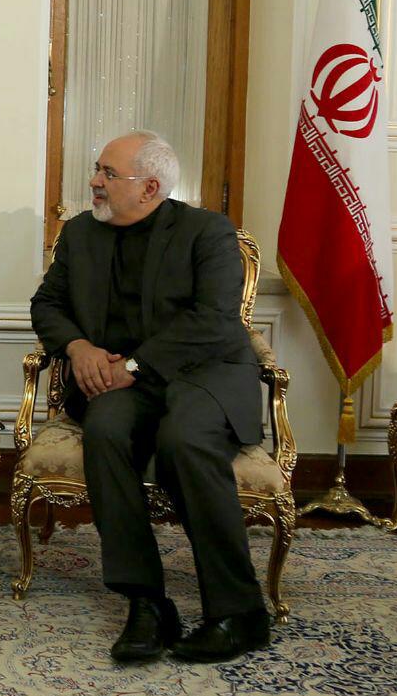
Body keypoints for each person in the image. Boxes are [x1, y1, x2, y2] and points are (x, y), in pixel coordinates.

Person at [30, 130, 270, 664]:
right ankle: (147, 602)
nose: (94, 181)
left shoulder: (207, 231)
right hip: (122, 380)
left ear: (151, 187)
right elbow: (47, 304)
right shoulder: (80, 233)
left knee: (185, 438)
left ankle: (240, 612)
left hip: (204, 372)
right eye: (97, 169)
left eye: (108, 173)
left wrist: (133, 366)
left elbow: (213, 320)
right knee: (106, 429)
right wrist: (78, 347)